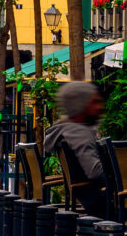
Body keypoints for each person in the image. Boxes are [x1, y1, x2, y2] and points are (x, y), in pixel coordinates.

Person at [41, 79, 110, 214]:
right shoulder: (79, 133)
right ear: (81, 105)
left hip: (89, 199)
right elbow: (95, 171)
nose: (100, 107)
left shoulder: (65, 130)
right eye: (95, 102)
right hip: (104, 202)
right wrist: (124, 171)